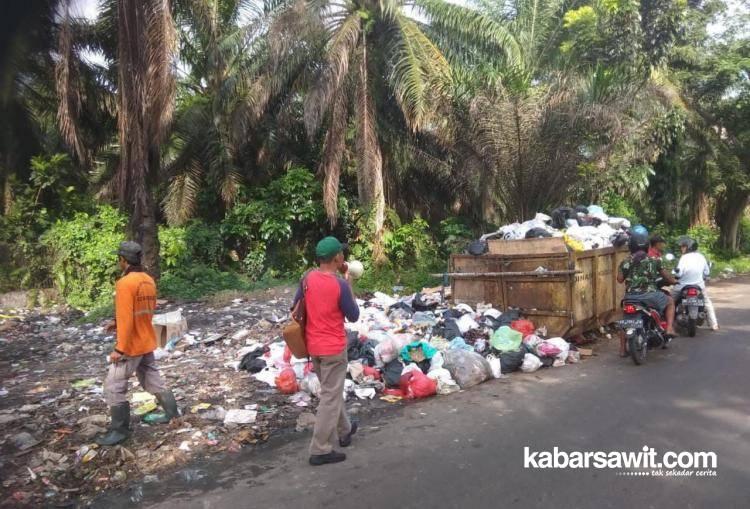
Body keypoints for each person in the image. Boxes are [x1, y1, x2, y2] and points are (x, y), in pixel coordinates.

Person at [96, 241, 179, 446]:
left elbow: (127, 317)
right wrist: (116, 323)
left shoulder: (125, 283)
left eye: (119, 260)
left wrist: (119, 348)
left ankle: (120, 431)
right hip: (146, 340)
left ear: (123, 260)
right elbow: (141, 312)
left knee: (113, 385)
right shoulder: (148, 280)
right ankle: (172, 414)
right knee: (153, 379)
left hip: (131, 345)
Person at [293, 236, 360, 466]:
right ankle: (320, 449)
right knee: (330, 397)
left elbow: (295, 306)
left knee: (332, 392)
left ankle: (345, 431)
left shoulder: (307, 279)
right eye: (341, 254)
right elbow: (354, 315)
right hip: (333, 349)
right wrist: (348, 283)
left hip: (314, 348)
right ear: (337, 258)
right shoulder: (339, 284)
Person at [617, 232, 677, 357]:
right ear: (646, 246)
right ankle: (669, 328)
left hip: (631, 297)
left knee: (626, 320)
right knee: (670, 301)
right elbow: (667, 278)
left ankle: (622, 350)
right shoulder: (654, 260)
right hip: (650, 296)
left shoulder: (626, 261)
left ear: (631, 246)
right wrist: (673, 281)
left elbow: (620, 279)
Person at [672, 237, 719, 331]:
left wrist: (675, 274)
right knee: (707, 303)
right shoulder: (701, 256)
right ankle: (714, 324)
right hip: (699, 286)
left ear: (688, 247)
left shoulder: (684, 258)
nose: (681, 248)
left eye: (683, 246)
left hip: (682, 286)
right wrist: (704, 276)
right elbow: (706, 272)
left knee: (670, 302)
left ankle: (669, 325)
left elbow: (679, 273)